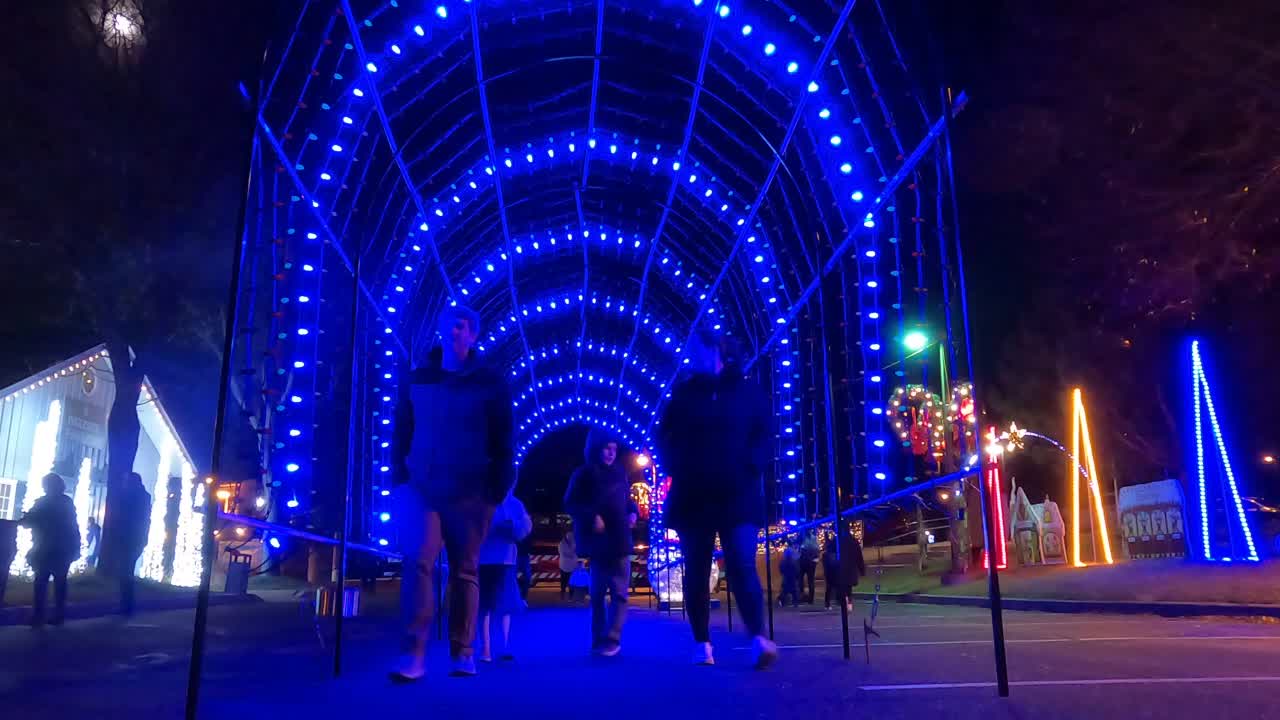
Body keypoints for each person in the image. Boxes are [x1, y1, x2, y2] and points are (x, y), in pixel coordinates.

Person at [390, 305, 514, 682]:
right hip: (422, 486)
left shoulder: (490, 381)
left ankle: (463, 652)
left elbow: (504, 438)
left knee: (465, 569)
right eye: (447, 324)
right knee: (419, 562)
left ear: (473, 334)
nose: (453, 331)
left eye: (461, 326)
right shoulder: (418, 379)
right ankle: (414, 653)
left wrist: (495, 488)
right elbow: (401, 430)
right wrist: (399, 479)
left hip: (471, 489)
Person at [658, 328, 778, 669]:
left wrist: (752, 464)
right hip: (693, 496)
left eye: (697, 349)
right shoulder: (683, 394)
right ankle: (702, 642)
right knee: (696, 569)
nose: (692, 356)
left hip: (737, 494)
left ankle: (758, 636)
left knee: (742, 562)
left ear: (719, 350)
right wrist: (676, 467)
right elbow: (663, 436)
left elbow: (765, 432)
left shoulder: (746, 391)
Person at [563, 428, 639, 657]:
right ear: (596, 448)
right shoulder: (584, 474)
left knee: (619, 593)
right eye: (606, 448)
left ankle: (612, 639)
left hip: (619, 540)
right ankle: (598, 640)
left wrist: (633, 512)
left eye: (614, 448)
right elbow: (570, 503)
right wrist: (591, 516)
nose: (610, 453)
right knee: (597, 593)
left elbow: (627, 500)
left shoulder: (620, 473)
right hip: (598, 544)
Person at [478, 492, 532, 663]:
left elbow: (524, 529)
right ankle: (486, 648)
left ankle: (504, 645)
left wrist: (513, 527)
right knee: (485, 605)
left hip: (505, 559)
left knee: (505, 604)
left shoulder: (514, 503)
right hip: (483, 558)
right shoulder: (482, 499)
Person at [21, 473, 80, 626]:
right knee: (58, 582)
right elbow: (73, 526)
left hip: (47, 547)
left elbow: (32, 521)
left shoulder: (43, 502)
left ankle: (40, 615)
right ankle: (57, 615)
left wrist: (27, 519)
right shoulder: (65, 502)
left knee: (41, 581)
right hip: (60, 548)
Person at [115, 472, 152, 617]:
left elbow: (125, 517)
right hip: (136, 538)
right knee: (127, 571)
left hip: (129, 538)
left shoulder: (131, 497)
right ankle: (127, 604)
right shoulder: (143, 496)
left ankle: (126, 605)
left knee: (125, 572)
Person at [823, 527, 866, 612]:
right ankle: (848, 602)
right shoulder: (854, 541)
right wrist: (862, 569)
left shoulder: (838, 541)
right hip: (850, 568)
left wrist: (826, 536)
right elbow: (859, 557)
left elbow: (829, 547)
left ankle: (843, 602)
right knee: (848, 587)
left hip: (840, 567)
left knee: (840, 586)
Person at [777, 541, 801, 608]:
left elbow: (781, 567)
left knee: (786, 589)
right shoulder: (793, 560)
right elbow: (797, 569)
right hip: (792, 576)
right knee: (793, 590)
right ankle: (794, 602)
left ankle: (783, 601)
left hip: (787, 576)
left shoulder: (785, 560)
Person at [799, 530, 820, 604]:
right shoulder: (814, 539)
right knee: (810, 580)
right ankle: (810, 599)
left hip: (804, 562)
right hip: (811, 562)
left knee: (801, 579)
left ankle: (802, 596)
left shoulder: (802, 538)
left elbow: (802, 550)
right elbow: (817, 550)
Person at [557, 530, 578, 600]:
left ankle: (568, 594)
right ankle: (565, 593)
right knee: (566, 580)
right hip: (566, 565)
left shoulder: (564, 543)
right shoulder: (562, 544)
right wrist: (572, 556)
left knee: (566, 580)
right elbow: (563, 553)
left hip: (568, 565)